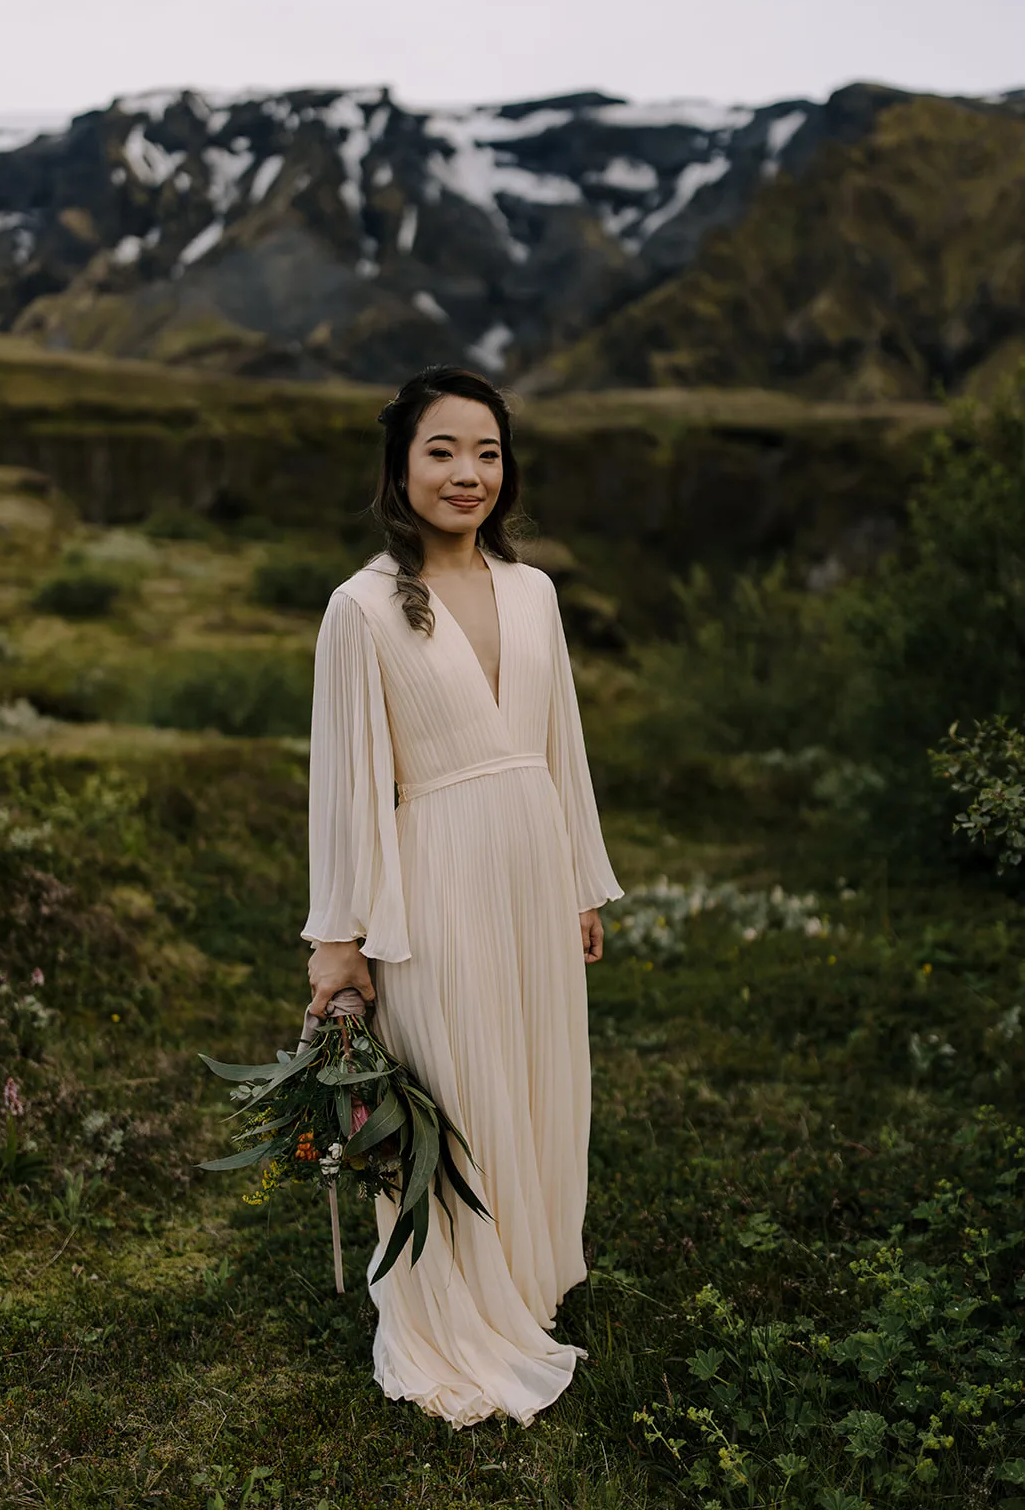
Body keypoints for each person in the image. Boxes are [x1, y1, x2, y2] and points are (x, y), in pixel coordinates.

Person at [302, 364, 624, 1430]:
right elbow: (346, 787)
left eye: (485, 451)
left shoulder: (533, 591)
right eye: (441, 449)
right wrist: (337, 944)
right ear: (400, 465)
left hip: (533, 867)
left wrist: (580, 877)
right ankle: (452, 1311)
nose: (466, 473)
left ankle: (523, 1280)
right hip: (433, 872)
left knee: (533, 1075)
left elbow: (559, 749)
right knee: (458, 1085)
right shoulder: (359, 608)